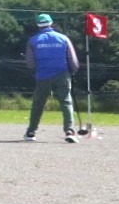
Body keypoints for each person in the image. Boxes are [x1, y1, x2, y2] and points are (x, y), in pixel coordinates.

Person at [23, 13, 79, 142]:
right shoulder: (63, 38)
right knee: (66, 102)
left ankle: (31, 132)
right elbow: (73, 59)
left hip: (42, 75)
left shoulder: (33, 40)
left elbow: (30, 63)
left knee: (38, 104)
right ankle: (69, 130)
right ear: (51, 23)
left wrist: (37, 68)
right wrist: (73, 70)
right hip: (62, 74)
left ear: (38, 25)